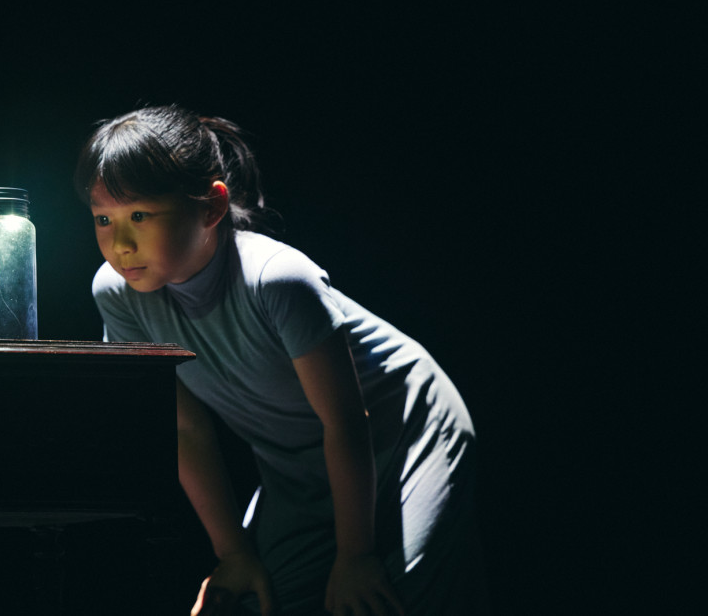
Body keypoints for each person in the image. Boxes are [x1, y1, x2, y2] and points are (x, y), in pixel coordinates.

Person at [74, 105, 488, 615]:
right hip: (298, 467)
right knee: (249, 602)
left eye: (139, 215)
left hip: (405, 434)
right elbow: (185, 431)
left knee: (386, 603)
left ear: (212, 206)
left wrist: (354, 556)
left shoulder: (278, 279)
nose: (120, 243)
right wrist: (232, 553)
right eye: (103, 219)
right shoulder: (117, 294)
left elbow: (346, 421)